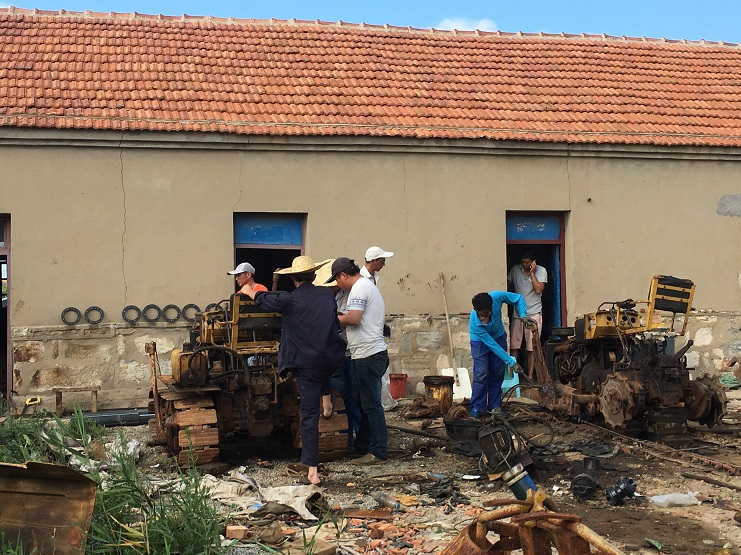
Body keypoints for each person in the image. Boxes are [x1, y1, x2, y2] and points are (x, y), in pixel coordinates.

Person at [240, 256, 346, 486]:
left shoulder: (290, 300)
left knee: (309, 417)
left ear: (294, 279)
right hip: (328, 358)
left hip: (306, 363)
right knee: (322, 371)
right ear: (313, 275)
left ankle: (312, 472)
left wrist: (249, 291)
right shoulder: (326, 296)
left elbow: (265, 299)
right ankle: (327, 403)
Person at [329, 257, 388, 465]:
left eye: (337, 280)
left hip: (368, 354)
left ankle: (378, 451)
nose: (338, 285)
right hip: (364, 353)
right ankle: (363, 445)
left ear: (343, 275)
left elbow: (353, 319)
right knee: (362, 402)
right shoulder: (365, 285)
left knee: (371, 405)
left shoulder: (358, 288)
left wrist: (328, 318)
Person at [313, 260, 361, 446]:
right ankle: (345, 437)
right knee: (339, 395)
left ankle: (359, 437)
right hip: (335, 354)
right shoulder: (325, 298)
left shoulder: (350, 295)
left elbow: (351, 319)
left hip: (350, 351)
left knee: (355, 397)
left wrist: (328, 320)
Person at [469, 291, 526, 418]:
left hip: (498, 336)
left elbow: (518, 298)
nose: (489, 314)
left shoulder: (496, 297)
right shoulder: (475, 323)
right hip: (480, 342)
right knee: (481, 373)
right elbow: (492, 345)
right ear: (476, 310)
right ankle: (477, 406)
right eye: (484, 313)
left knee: (497, 371)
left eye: (489, 310)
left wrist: (523, 315)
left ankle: (494, 406)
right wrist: (512, 363)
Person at [507, 251, 548, 378]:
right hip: (518, 314)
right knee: (514, 345)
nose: (524, 264)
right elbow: (506, 286)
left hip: (534, 312)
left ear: (533, 262)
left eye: (527, 262)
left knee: (532, 347)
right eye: (523, 262)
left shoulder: (541, 271)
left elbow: (538, 289)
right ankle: (513, 376)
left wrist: (532, 273)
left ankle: (530, 376)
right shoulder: (515, 270)